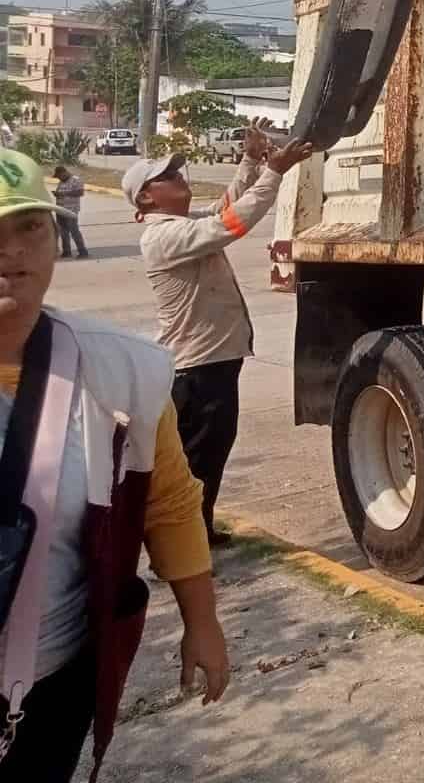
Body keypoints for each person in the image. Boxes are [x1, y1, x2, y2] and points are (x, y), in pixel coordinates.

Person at [0, 148, 227, 782]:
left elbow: (171, 503)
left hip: (50, 682)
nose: (10, 251)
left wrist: (201, 623)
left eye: (28, 228)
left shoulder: (118, 370)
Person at [124, 121, 314, 546]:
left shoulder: (181, 227)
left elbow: (225, 207)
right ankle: (175, 546)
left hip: (211, 361)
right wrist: (274, 171)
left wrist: (250, 159)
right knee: (195, 460)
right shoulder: (163, 237)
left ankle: (197, 531)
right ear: (146, 198)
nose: (179, 179)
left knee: (208, 455)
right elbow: (232, 222)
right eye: (168, 177)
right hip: (197, 367)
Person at [50, 167, 87, 260]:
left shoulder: (75, 180)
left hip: (71, 210)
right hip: (60, 209)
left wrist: (64, 194)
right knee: (63, 232)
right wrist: (57, 194)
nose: (59, 178)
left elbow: (80, 192)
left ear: (64, 172)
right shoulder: (61, 182)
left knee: (74, 231)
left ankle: (82, 251)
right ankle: (67, 251)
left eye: (59, 176)